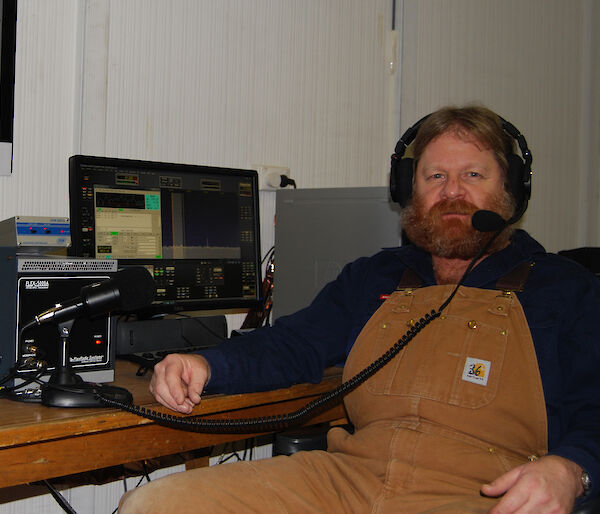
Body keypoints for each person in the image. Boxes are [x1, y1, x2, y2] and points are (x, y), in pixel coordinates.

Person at [119, 105, 600, 513]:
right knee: (152, 505)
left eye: (473, 175)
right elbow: (295, 344)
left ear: (512, 190)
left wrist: (573, 470)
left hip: (482, 493)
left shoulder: (566, 289)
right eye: (436, 176)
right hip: (348, 479)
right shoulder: (375, 277)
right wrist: (205, 363)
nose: (452, 192)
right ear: (408, 189)